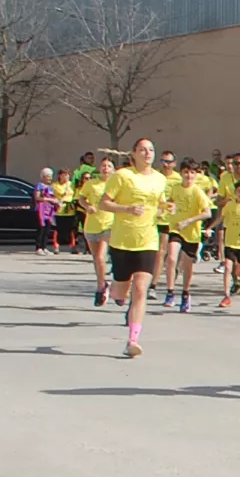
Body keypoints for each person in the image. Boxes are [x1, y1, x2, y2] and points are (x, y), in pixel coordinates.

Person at [100, 140, 170, 357]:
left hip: (148, 240)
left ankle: (133, 340)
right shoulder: (122, 176)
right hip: (122, 240)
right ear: (134, 154)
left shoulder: (160, 179)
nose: (147, 153)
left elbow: (160, 203)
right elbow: (104, 203)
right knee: (120, 292)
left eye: (151, 149)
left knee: (140, 289)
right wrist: (127, 208)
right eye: (143, 150)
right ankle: (109, 287)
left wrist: (167, 207)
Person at [159, 161, 213, 312]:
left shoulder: (197, 192)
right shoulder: (176, 188)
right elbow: (170, 203)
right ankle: (170, 292)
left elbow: (207, 213)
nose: (189, 175)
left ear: (196, 175)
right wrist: (168, 208)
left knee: (187, 265)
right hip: (176, 229)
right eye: (186, 172)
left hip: (192, 233)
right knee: (171, 258)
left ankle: (185, 293)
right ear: (181, 173)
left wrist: (189, 221)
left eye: (192, 173)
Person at [76, 159, 115, 303]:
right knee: (96, 259)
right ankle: (102, 282)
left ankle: (101, 287)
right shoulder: (90, 184)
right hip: (92, 225)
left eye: (109, 166)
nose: (106, 168)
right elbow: (81, 198)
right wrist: (87, 206)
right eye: (103, 165)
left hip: (109, 225)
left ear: (113, 170)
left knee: (100, 257)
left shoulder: (115, 185)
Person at [218, 178, 240, 308]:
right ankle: (226, 296)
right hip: (230, 242)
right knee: (227, 267)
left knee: (239, 272)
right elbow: (221, 218)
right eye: (238, 191)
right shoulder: (229, 205)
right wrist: (210, 228)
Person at [33, 167, 60, 254]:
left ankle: (44, 247)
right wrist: (49, 200)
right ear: (43, 177)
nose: (50, 178)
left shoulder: (51, 187)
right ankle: (38, 247)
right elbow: (37, 197)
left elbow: (52, 197)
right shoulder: (39, 186)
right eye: (48, 176)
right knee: (41, 229)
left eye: (51, 176)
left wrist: (56, 201)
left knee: (47, 229)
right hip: (41, 210)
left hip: (49, 211)